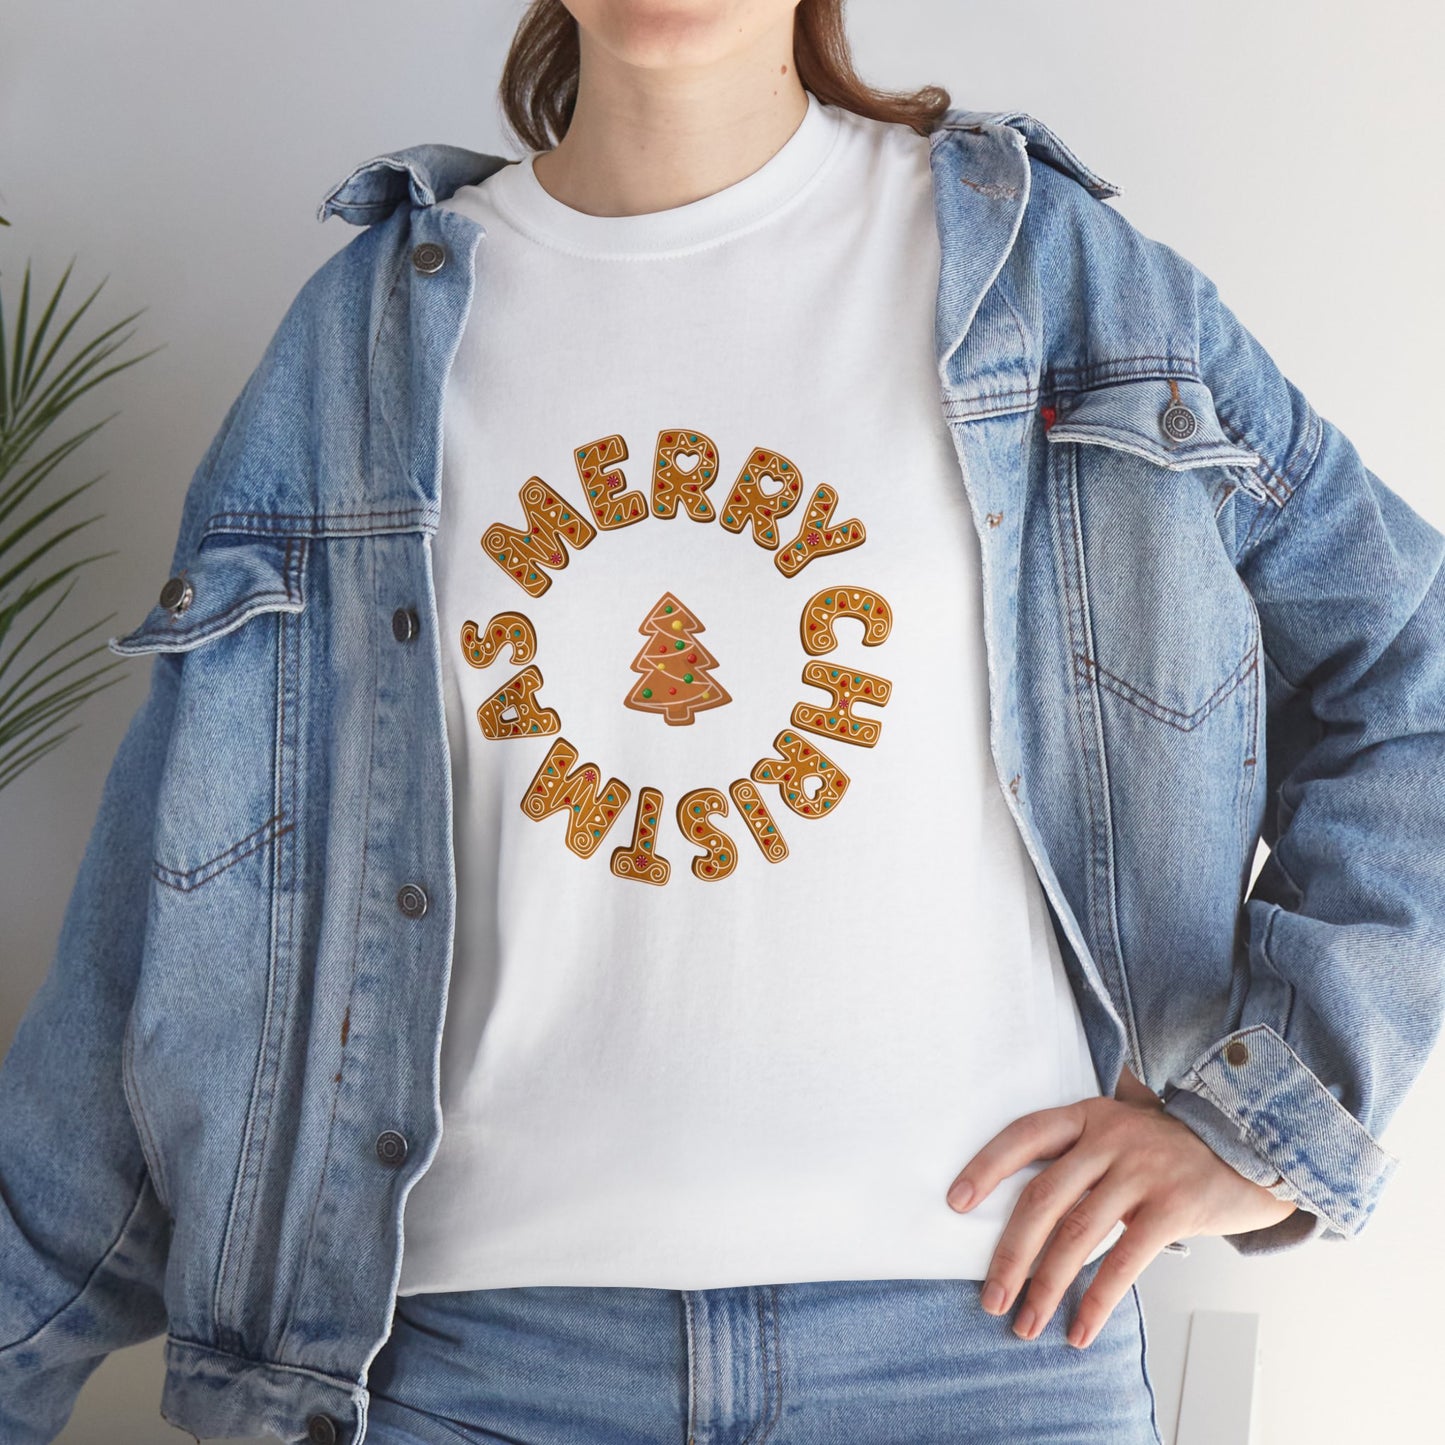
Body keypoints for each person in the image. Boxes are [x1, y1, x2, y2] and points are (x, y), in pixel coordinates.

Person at [3, 2, 1442, 1442]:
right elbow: (172, 924)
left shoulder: (1055, 284)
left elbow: (1407, 669)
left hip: (983, 1344)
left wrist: (1272, 1121)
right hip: (467, 1368)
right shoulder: (356, 344)